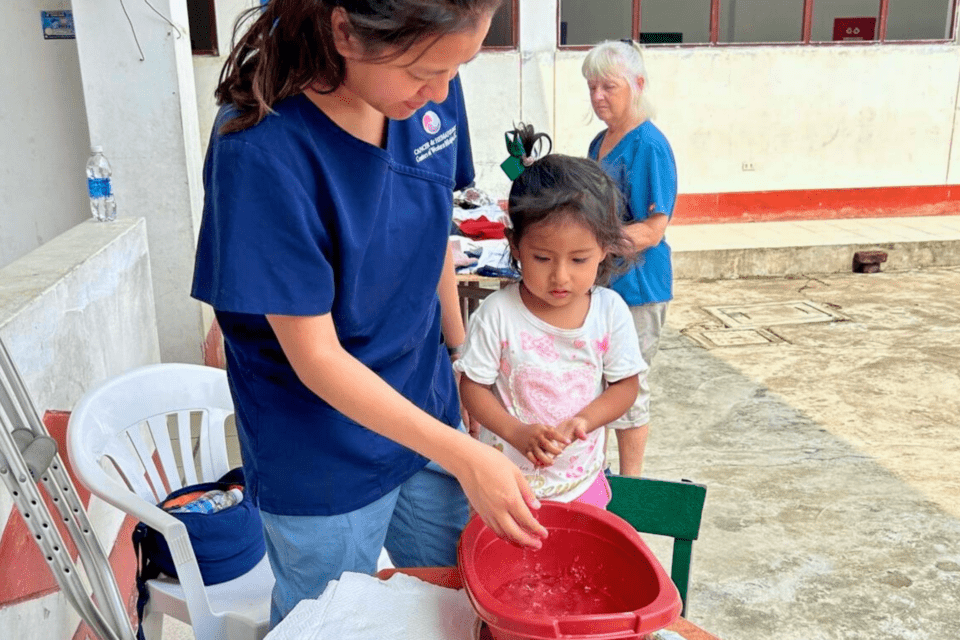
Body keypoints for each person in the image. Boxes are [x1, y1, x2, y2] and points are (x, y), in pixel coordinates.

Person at [190, 0, 546, 627]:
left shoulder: (430, 80)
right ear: (346, 31)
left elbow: (434, 224)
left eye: (457, 67)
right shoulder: (261, 148)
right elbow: (319, 360)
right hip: (318, 443)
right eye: (420, 73)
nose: (440, 91)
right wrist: (468, 458)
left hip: (423, 401)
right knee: (325, 618)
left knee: (453, 598)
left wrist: (458, 355)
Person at [455, 126, 646, 508]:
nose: (560, 276)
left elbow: (625, 386)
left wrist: (586, 420)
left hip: (582, 486)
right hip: (505, 490)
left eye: (579, 259)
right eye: (542, 258)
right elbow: (473, 388)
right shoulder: (498, 315)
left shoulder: (609, 313)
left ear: (605, 248)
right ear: (515, 245)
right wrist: (517, 433)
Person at [582, 40, 678, 478]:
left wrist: (596, 246)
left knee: (628, 386)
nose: (598, 95)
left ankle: (631, 484)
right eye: (592, 86)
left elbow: (653, 228)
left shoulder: (649, 146)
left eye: (609, 86)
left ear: (637, 85)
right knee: (596, 383)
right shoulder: (600, 142)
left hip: (638, 289)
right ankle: (591, 473)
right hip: (603, 285)